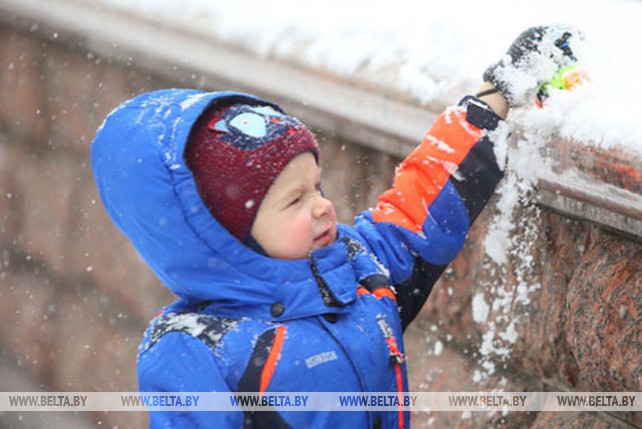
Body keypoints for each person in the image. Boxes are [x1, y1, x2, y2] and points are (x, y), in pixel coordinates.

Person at [91, 25, 582, 428]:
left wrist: (493, 98)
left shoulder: (356, 271)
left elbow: (419, 205)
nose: (324, 207)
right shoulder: (199, 351)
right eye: (295, 201)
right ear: (220, 235)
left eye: (318, 188)